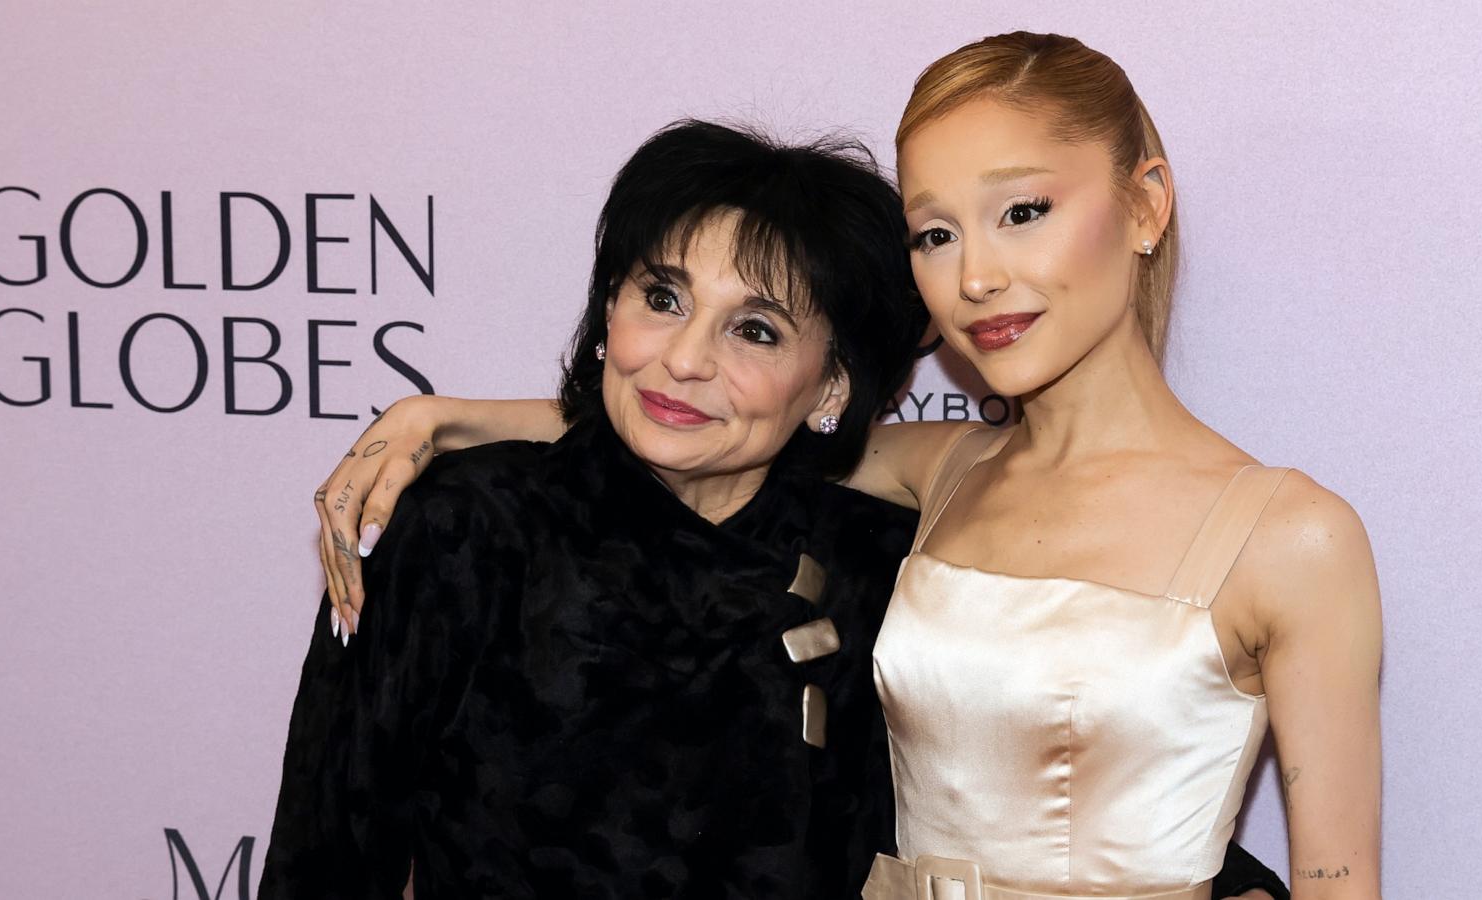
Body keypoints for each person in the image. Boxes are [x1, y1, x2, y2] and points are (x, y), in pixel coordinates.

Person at [306, 32, 1355, 896]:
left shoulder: (1287, 535)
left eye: (1021, 212)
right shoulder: (942, 477)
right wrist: (447, 417)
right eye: (934, 233)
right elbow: (706, 418)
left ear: (1143, 204)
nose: (978, 275)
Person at [261, 120, 930, 898]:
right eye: (663, 297)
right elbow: (325, 863)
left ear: (831, 388)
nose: (683, 359)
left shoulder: (885, 568)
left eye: (754, 330)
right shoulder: (467, 527)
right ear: (611, 309)